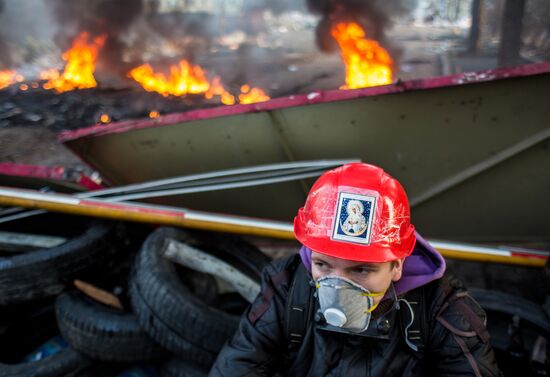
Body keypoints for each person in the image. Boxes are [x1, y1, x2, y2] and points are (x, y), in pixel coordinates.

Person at [208, 162, 502, 377]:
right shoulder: (287, 286)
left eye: (361, 270)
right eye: (323, 264)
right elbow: (239, 364)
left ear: (397, 264)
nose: (338, 284)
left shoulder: (441, 309)